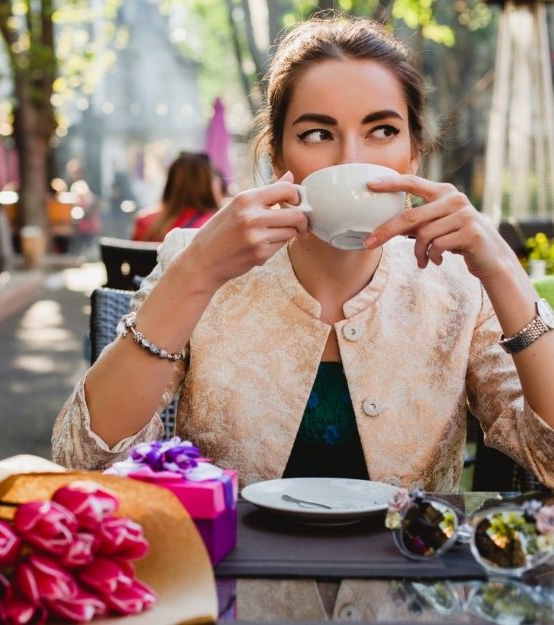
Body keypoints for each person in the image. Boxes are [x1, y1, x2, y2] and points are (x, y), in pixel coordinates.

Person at [53, 16, 554, 491]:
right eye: (318, 134)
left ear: (413, 154)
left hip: (405, 574)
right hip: (235, 574)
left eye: (382, 131)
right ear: (278, 157)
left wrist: (502, 267)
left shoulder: (459, 285)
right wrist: (197, 272)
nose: (351, 161)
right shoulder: (202, 263)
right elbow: (84, 462)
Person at [130, 152, 219, 242]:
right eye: (215, 176)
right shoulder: (214, 227)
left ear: (170, 182)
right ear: (206, 184)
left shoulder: (144, 222)